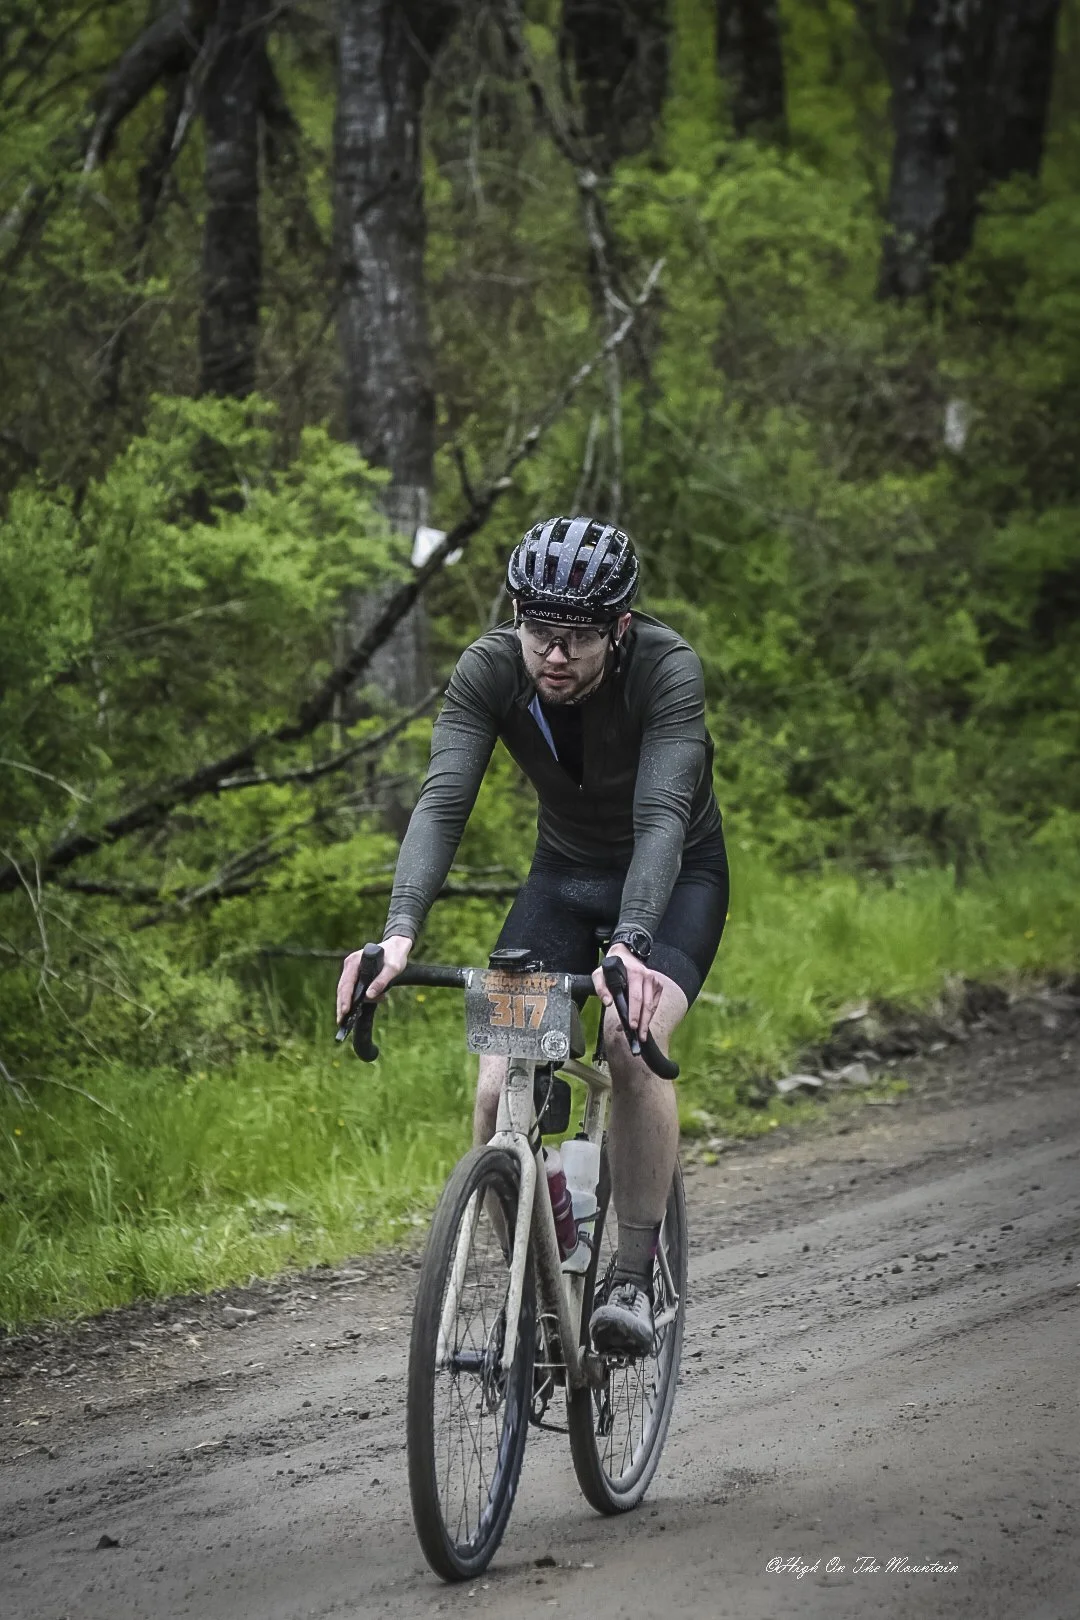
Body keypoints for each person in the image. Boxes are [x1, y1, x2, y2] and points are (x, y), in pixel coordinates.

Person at [337, 515, 728, 1355]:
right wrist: (397, 934)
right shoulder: (491, 669)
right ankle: (543, 1269)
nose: (553, 653)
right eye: (537, 629)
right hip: (561, 878)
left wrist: (631, 944)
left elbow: (661, 819)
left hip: (673, 880)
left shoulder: (667, 670)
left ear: (619, 628)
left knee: (629, 1043)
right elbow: (443, 801)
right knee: (496, 1087)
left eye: (577, 637)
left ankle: (628, 1270)